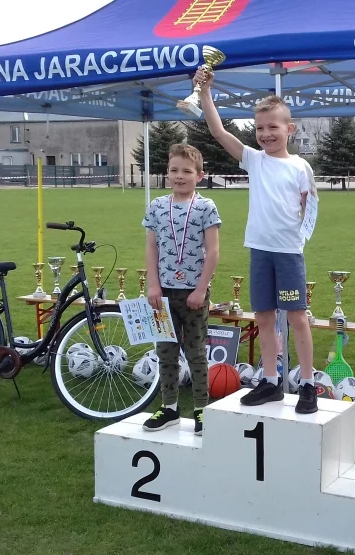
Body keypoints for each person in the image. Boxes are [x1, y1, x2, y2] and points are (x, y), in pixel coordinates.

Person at [194, 66, 319, 413]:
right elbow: (218, 132)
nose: (265, 134)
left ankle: (308, 384)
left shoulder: (300, 166)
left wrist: (300, 237)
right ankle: (270, 381)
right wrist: (206, 92)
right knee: (263, 317)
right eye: (260, 128)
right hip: (260, 252)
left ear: (289, 129)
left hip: (288, 255)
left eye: (273, 127)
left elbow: (310, 207)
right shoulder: (254, 160)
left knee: (296, 318)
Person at [141, 143, 222, 436]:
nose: (179, 176)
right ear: (167, 173)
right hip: (163, 294)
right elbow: (151, 248)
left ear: (199, 175)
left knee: (196, 352)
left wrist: (201, 289)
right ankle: (170, 408)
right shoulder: (157, 206)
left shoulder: (206, 207)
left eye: (187, 171)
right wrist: (153, 284)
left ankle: (201, 409)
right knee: (166, 352)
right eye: (174, 170)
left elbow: (213, 252)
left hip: (193, 294)